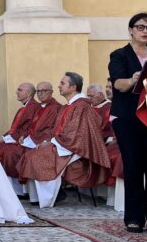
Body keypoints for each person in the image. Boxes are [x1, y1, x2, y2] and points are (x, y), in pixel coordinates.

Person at [17, 72, 110, 208]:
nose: (59, 86)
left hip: (76, 148)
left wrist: (53, 142)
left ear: (73, 87)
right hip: (65, 144)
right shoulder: (70, 105)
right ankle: (40, 197)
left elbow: (78, 134)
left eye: (62, 83)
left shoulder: (82, 106)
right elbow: (58, 130)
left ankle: (49, 198)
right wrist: (49, 141)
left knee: (38, 157)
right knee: (33, 153)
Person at [108, 12, 147, 233]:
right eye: (140, 27)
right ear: (131, 29)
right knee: (133, 167)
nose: (145, 31)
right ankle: (134, 218)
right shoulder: (119, 55)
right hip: (128, 117)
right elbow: (119, 84)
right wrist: (133, 79)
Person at [0, 83, 39, 189]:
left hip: (25, 141)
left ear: (28, 93)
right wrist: (3, 137)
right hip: (17, 138)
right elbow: (15, 128)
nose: (16, 92)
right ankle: (3, 187)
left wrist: (4, 138)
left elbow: (27, 128)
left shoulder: (33, 107)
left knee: (6, 151)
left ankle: (14, 189)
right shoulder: (23, 108)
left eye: (20, 90)